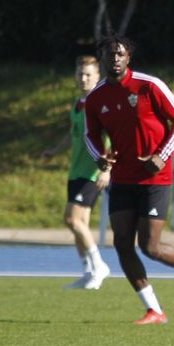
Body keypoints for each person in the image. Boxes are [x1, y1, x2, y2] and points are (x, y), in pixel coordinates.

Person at [83, 35, 174, 325]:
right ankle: (154, 309)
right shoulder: (96, 98)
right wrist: (100, 158)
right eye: (109, 54)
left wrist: (163, 155)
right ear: (102, 58)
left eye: (120, 54)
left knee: (150, 247)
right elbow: (90, 135)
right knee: (123, 245)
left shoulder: (148, 86)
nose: (115, 58)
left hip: (155, 177)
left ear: (129, 58)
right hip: (123, 178)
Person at [43, 55, 111, 290]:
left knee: (71, 219)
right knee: (79, 224)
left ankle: (99, 265)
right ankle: (89, 272)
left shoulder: (101, 104)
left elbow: (111, 138)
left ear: (97, 77)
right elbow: (73, 135)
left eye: (88, 75)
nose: (83, 78)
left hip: (92, 171)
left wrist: (107, 170)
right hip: (76, 171)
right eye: (80, 74)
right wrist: (54, 151)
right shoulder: (77, 104)